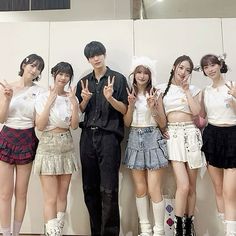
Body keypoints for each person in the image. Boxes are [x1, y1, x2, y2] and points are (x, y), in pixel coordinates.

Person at [75, 41, 128, 236]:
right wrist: (85, 100)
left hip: (109, 137)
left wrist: (110, 99)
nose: (96, 58)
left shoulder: (118, 79)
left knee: (109, 189)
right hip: (87, 137)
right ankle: (95, 232)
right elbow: (77, 113)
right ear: (88, 59)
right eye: (91, 56)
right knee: (89, 188)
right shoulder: (84, 81)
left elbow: (125, 110)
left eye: (98, 54)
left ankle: (110, 233)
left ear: (104, 54)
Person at [0, 54, 45, 236]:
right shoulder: (6, 87)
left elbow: (38, 121)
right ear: (24, 65)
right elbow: (1, 118)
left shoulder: (40, 92)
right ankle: (5, 233)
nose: (34, 70)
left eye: (38, 68)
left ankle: (16, 233)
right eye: (32, 65)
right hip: (7, 136)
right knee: (4, 193)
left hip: (27, 137)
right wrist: (8, 98)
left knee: (21, 193)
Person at [161, 55, 206, 236]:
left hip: (192, 134)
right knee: (184, 186)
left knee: (192, 187)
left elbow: (197, 113)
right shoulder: (162, 89)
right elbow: (161, 116)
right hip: (174, 135)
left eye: (188, 70)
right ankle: (178, 229)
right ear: (174, 67)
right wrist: (162, 127)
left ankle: (189, 227)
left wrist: (187, 91)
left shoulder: (194, 89)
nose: (184, 73)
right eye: (181, 68)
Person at [123, 56, 168, 236]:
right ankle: (145, 229)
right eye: (139, 72)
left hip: (153, 136)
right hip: (134, 137)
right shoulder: (129, 93)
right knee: (140, 188)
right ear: (134, 74)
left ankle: (159, 230)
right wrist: (131, 105)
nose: (142, 76)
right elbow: (127, 123)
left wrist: (153, 108)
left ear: (150, 76)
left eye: (145, 73)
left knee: (154, 188)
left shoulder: (156, 93)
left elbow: (163, 122)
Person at [34, 62, 79, 236]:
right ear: (54, 74)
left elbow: (74, 126)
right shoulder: (42, 96)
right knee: (50, 197)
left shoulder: (70, 97)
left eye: (67, 75)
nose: (63, 78)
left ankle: (57, 232)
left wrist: (75, 103)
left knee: (63, 195)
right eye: (60, 74)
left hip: (66, 144)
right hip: (48, 145)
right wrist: (50, 101)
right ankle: (51, 233)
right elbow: (39, 125)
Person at [200, 54, 236, 236]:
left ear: (220, 65)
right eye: (206, 67)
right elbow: (201, 118)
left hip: (232, 136)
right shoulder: (206, 91)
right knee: (219, 189)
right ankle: (226, 230)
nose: (210, 69)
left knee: (231, 193)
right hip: (212, 136)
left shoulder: (232, 85)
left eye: (213, 65)